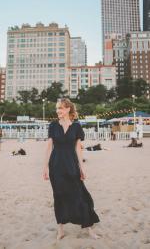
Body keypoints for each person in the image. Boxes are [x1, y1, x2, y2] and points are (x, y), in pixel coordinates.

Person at [43, 98, 100, 240]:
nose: (58, 111)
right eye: (57, 108)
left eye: (60, 108)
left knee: (79, 195)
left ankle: (88, 229)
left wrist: (82, 168)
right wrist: (44, 166)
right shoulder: (53, 126)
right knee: (59, 196)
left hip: (71, 164)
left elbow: (78, 149)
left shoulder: (76, 127)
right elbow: (49, 146)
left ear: (68, 109)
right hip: (55, 166)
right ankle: (60, 229)